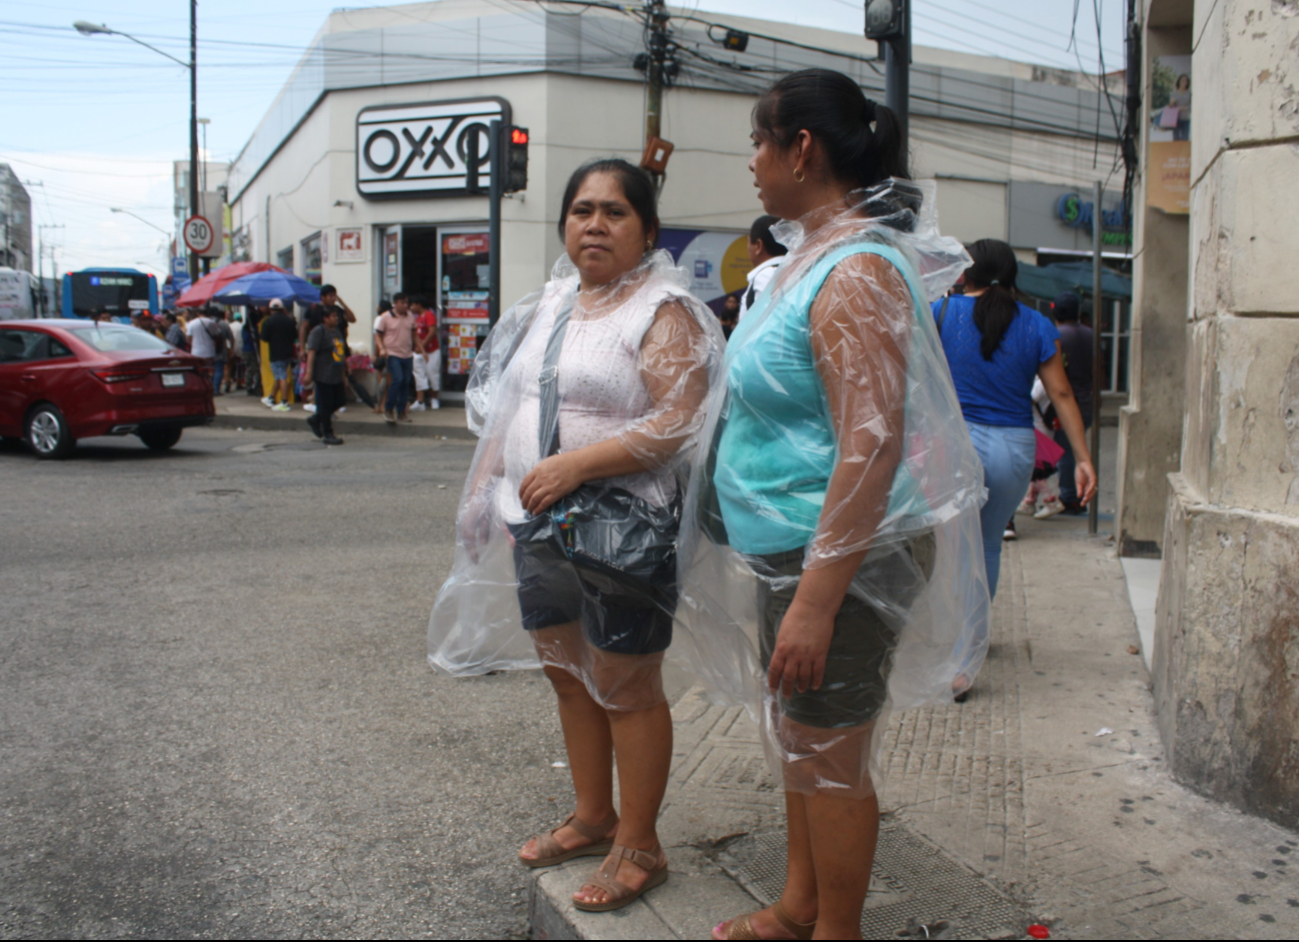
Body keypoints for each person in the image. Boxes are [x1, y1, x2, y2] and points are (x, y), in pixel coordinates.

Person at [686, 69, 988, 942]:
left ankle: (834, 930)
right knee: (803, 738)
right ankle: (798, 906)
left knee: (830, 751)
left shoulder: (854, 270)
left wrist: (816, 604)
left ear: (801, 148)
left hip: (842, 561)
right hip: (799, 548)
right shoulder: (802, 262)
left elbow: (871, 442)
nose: (751, 162)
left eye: (758, 141)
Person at [429, 158, 721, 914]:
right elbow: (510, 403)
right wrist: (484, 487)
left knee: (625, 686)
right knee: (566, 672)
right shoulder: (555, 300)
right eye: (582, 210)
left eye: (615, 212)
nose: (594, 224)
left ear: (647, 231)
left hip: (623, 526)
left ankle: (640, 843)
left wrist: (574, 466)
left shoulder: (662, 311)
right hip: (536, 521)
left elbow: (679, 420)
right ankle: (594, 816)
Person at [934, 241, 1096, 603]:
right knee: (990, 544)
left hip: (958, 444)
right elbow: (1061, 394)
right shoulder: (1036, 324)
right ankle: (975, 636)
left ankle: (955, 641)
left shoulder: (940, 312)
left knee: (955, 544)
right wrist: (1083, 459)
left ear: (965, 272)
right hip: (1015, 448)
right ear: (1012, 276)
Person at [1049, 291, 1094, 513]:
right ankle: (1073, 492)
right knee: (1077, 446)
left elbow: (1056, 378)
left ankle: (1070, 495)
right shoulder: (1090, 335)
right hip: (1088, 400)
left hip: (1068, 402)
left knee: (1066, 450)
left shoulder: (1056, 335)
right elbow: (1100, 369)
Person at [303, 307, 348, 446]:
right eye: (333, 316)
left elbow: (340, 351)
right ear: (325, 318)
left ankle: (316, 419)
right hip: (323, 374)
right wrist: (309, 373)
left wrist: (345, 370)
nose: (336, 318)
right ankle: (328, 433)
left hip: (336, 373)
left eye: (337, 316)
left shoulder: (337, 331)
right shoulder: (318, 331)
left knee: (340, 400)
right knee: (326, 404)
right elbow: (311, 352)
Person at [374, 291, 416, 423]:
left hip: (407, 354)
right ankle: (388, 409)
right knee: (397, 379)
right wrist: (381, 348)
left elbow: (414, 334)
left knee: (405, 382)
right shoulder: (385, 317)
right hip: (392, 354)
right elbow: (378, 335)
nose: (405, 305)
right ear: (395, 303)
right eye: (402, 302)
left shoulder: (410, 316)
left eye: (406, 302)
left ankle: (401, 411)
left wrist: (421, 349)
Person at [738, 214, 789, 320]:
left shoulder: (766, 276)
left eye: (748, 241)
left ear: (758, 245)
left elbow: (768, 323)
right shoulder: (794, 270)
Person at [259, 298, 297, 411]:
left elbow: (264, 338)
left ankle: (284, 402)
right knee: (279, 375)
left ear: (270, 309)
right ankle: (271, 397)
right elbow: (294, 336)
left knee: (281, 376)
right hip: (287, 352)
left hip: (275, 352)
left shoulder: (268, 321)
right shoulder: (289, 321)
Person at [410, 295, 441, 411]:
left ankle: (434, 399)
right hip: (419, 352)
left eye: (413, 304)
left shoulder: (429, 315)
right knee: (419, 376)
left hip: (432, 351)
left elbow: (432, 332)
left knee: (432, 374)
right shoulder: (416, 318)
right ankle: (420, 401)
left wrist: (421, 346)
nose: (411, 307)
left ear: (419, 304)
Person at [185, 308, 219, 386]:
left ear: (197, 313)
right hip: (210, 351)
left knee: (198, 370)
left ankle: (200, 384)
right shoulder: (212, 322)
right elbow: (217, 336)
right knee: (209, 369)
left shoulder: (191, 323)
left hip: (196, 352)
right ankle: (211, 385)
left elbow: (188, 338)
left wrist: (193, 345)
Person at [243, 306, 266, 397]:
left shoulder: (246, 328)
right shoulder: (251, 329)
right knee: (253, 368)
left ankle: (251, 385)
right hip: (251, 350)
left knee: (252, 368)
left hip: (248, 350)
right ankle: (251, 386)